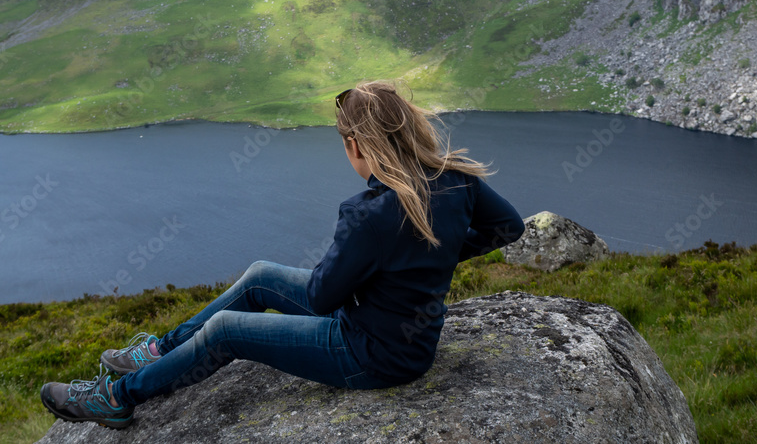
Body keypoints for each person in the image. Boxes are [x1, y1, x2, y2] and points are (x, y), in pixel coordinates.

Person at [40, 81, 525, 429]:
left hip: (371, 355)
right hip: (404, 340)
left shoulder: (368, 214)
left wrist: (401, 263)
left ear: (357, 144)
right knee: (258, 276)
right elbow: (509, 227)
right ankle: (160, 350)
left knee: (226, 331)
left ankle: (116, 397)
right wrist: (428, 261)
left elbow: (321, 299)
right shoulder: (454, 178)